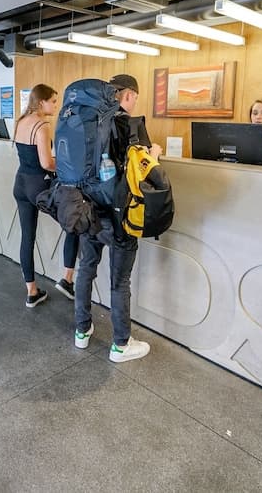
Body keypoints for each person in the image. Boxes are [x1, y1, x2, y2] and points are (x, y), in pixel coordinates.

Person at [73, 74, 161, 363]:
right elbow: (143, 173)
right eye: (134, 97)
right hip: (120, 216)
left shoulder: (89, 122)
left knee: (86, 269)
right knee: (120, 281)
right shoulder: (130, 125)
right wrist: (154, 154)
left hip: (89, 210)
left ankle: (82, 330)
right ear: (129, 95)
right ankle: (121, 344)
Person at [12, 84, 80, 308]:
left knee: (27, 238)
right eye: (53, 101)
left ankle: (32, 292)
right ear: (41, 102)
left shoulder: (21, 121)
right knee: (74, 224)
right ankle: (67, 280)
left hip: (20, 184)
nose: (55, 106)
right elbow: (46, 163)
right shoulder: (41, 125)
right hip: (38, 187)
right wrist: (68, 167)